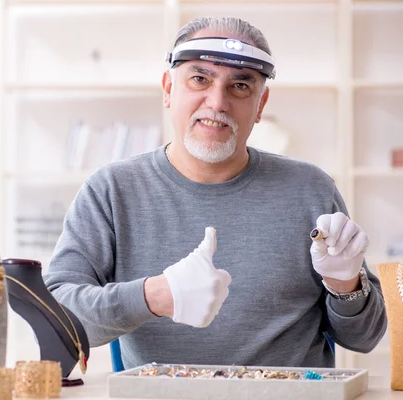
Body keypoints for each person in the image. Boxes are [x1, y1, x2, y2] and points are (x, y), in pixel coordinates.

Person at [43, 16, 387, 369]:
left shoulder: (311, 189)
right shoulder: (111, 192)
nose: (218, 102)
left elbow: (365, 338)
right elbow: (56, 317)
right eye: (199, 78)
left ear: (261, 105)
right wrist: (154, 296)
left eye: (240, 86)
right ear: (167, 89)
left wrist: (345, 285)